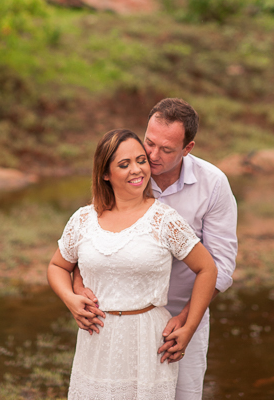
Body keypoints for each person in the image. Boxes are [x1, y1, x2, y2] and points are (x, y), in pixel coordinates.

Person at [71, 99, 238, 400]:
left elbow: (220, 266)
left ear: (187, 149)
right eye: (149, 143)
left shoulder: (212, 185)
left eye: (167, 149)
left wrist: (188, 320)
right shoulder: (127, 174)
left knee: (183, 395)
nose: (152, 156)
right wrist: (78, 287)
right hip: (118, 319)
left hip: (184, 316)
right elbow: (93, 240)